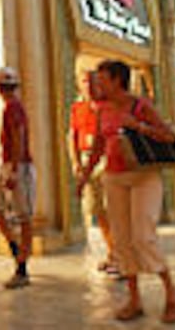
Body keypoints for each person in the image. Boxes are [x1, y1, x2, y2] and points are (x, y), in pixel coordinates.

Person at [77, 60, 175, 323]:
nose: (97, 85)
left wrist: (138, 126)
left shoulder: (140, 105)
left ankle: (171, 293)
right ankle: (134, 299)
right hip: (114, 177)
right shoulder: (101, 109)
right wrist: (85, 176)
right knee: (122, 239)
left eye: (102, 80)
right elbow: (99, 144)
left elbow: (169, 136)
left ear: (117, 80)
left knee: (144, 236)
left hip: (144, 175)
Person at [0, 66, 36, 289]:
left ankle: (22, 268)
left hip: (18, 165)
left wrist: (15, 170)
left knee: (24, 215)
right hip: (8, 163)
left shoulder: (13, 107)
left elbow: (19, 138)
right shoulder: (10, 107)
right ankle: (17, 250)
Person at [69, 70, 117, 274]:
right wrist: (76, 162)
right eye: (84, 81)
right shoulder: (77, 108)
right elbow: (72, 135)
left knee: (111, 207)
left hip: (107, 158)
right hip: (87, 157)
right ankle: (113, 252)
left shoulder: (108, 106)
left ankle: (120, 255)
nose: (88, 85)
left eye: (92, 81)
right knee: (97, 209)